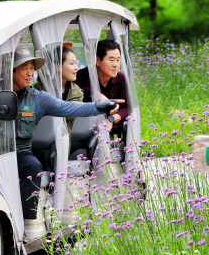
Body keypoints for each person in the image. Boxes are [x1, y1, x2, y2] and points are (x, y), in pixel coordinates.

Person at [12, 46, 122, 242]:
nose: (30, 73)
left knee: (33, 166)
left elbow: (68, 107)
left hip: (20, 152)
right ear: (11, 71)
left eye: (32, 68)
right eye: (23, 68)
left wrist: (99, 106)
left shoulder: (37, 98)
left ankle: (29, 227)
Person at [75, 39, 128, 138]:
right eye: (111, 60)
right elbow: (77, 93)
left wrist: (111, 119)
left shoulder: (121, 78)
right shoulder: (81, 76)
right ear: (98, 60)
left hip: (111, 123)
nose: (116, 64)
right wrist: (96, 94)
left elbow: (128, 107)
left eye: (118, 60)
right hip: (85, 125)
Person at [34, 46, 83, 135]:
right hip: (39, 139)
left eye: (76, 63)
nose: (77, 68)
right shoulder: (38, 88)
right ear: (57, 66)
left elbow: (69, 113)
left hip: (62, 141)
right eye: (72, 64)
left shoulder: (76, 92)